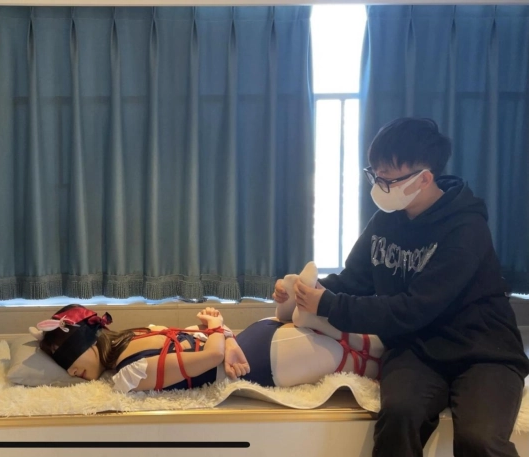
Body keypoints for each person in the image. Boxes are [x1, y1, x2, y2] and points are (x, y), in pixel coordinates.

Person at [289, 117, 529, 457]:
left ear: (424, 179)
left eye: (388, 179)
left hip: (484, 353)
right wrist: (304, 292)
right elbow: (353, 281)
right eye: (375, 175)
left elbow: (413, 308)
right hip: (415, 349)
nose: (379, 186)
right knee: (398, 417)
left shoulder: (466, 228)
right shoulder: (385, 220)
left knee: (480, 439)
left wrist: (326, 304)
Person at [32, 303, 384, 393]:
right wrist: (220, 331)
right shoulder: (141, 336)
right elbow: (207, 340)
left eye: (69, 358)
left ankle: (304, 313)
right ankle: (303, 313)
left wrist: (219, 332)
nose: (71, 371)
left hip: (264, 359)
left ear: (87, 341)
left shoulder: (130, 372)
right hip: (255, 341)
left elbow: (211, 353)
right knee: (366, 351)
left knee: (367, 361)